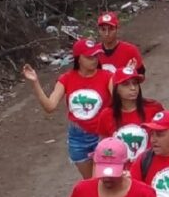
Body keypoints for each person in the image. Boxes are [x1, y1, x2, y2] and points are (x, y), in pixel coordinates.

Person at [22, 39, 113, 179]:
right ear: (79, 59)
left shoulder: (107, 77)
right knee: (91, 183)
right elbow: (50, 106)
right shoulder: (67, 79)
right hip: (78, 138)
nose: (94, 60)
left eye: (96, 56)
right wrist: (35, 83)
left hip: (102, 135)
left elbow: (120, 101)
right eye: (89, 57)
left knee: (104, 179)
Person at [94, 68, 164, 161]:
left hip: (152, 165)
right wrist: (115, 156)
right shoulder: (106, 115)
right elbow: (103, 147)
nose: (133, 88)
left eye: (135, 83)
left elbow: (166, 138)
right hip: (122, 170)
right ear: (116, 89)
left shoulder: (154, 108)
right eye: (126, 84)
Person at [95, 13, 144, 77]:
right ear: (99, 30)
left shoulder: (130, 50)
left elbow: (141, 75)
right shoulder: (94, 52)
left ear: (117, 29)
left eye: (111, 29)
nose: (107, 33)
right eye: (103, 29)